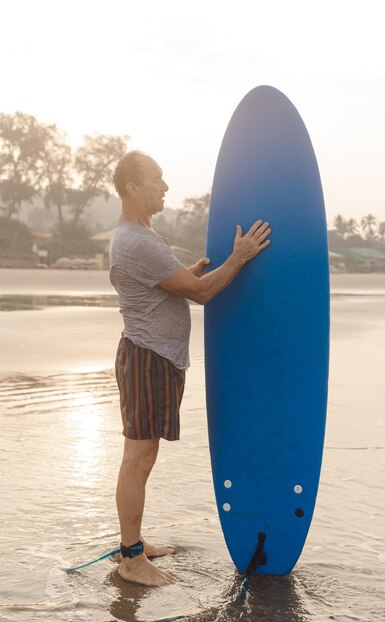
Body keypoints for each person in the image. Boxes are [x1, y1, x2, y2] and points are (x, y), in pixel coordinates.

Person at [109, 150, 271, 586]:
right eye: (157, 179)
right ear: (132, 188)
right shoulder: (136, 240)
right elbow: (199, 294)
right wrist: (238, 258)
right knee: (139, 457)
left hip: (153, 357)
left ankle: (134, 543)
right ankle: (130, 558)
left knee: (140, 456)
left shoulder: (143, 234)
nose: (165, 186)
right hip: (148, 357)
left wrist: (189, 272)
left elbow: (176, 282)